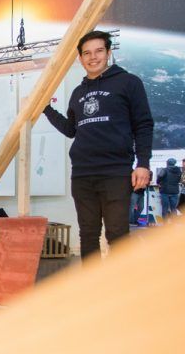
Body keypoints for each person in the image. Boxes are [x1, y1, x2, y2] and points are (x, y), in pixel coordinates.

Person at [43, 30, 154, 259]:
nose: (93, 57)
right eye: (87, 53)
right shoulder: (78, 93)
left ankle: (121, 289)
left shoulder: (128, 82)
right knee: (88, 234)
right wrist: (46, 109)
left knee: (117, 234)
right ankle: (91, 291)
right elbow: (70, 130)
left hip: (115, 171)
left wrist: (143, 163)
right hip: (83, 174)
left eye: (99, 51)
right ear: (80, 58)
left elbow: (143, 125)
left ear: (108, 52)